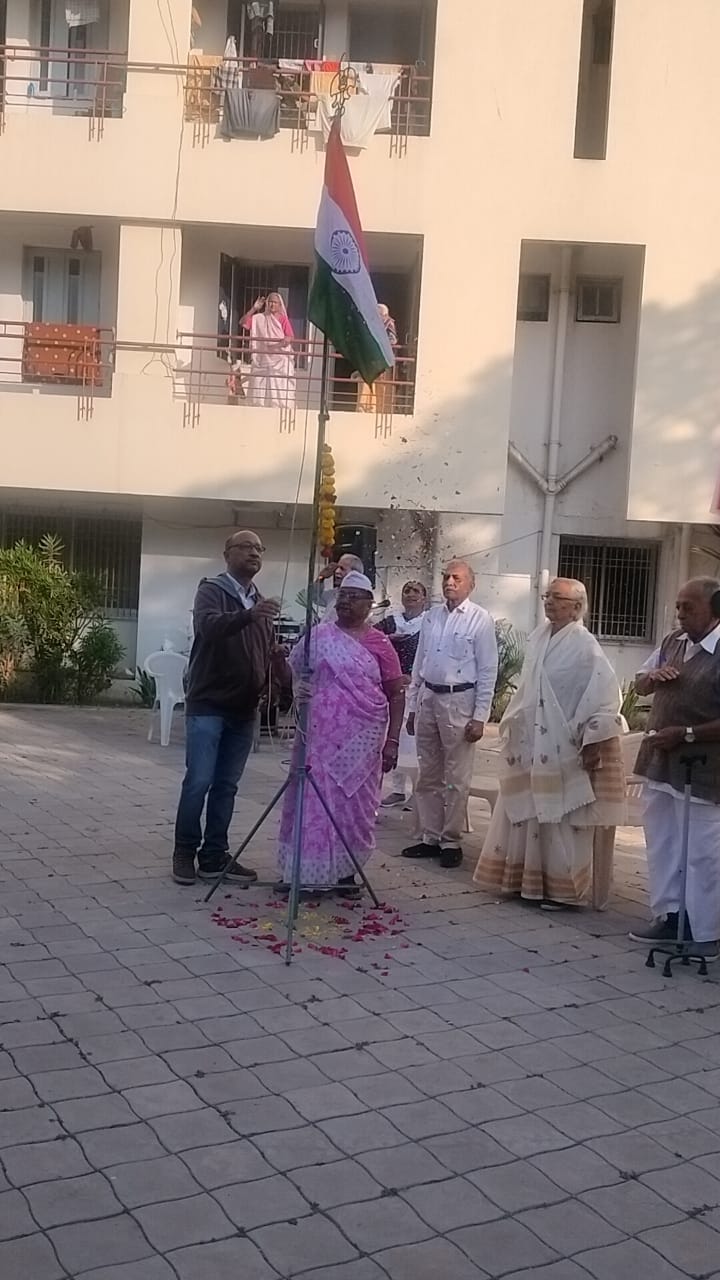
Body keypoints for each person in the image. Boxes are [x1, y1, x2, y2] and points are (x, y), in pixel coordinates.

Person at [473, 578, 626, 910]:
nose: (549, 602)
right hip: (533, 741)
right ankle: (523, 883)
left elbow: (605, 696)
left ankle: (562, 892)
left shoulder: (586, 646)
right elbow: (529, 689)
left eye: (558, 598)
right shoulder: (539, 637)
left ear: (576, 607)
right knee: (527, 814)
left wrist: (592, 738)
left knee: (561, 820)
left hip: (565, 744)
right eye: (547, 596)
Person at [277, 571, 405, 896]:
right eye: (342, 595)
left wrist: (392, 741)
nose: (345, 601)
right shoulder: (319, 636)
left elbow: (396, 693)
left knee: (352, 804)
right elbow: (291, 672)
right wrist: (284, 668)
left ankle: (346, 872)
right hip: (317, 738)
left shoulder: (380, 643)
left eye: (353, 596)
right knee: (313, 799)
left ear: (369, 604)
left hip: (362, 740)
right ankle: (306, 871)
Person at [172, 531, 281, 886]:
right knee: (199, 781)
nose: (254, 553)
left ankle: (214, 855)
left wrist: (272, 671)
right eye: (246, 547)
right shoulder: (212, 590)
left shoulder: (259, 601)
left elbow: (263, 649)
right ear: (226, 554)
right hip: (209, 704)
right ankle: (184, 852)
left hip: (243, 709)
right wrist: (250, 615)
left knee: (226, 786)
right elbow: (209, 627)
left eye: (259, 548)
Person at [629, 577, 720, 955]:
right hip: (660, 762)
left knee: (702, 852)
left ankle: (706, 933)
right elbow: (639, 684)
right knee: (663, 844)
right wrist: (651, 677)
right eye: (678, 606)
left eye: (689, 607)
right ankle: (669, 917)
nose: (680, 614)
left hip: (703, 769)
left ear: (715, 610)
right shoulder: (673, 642)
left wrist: (686, 734)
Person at [402, 560, 498, 869]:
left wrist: (480, 716)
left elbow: (488, 670)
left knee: (456, 776)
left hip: (460, 700)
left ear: (471, 584)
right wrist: (413, 707)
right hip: (429, 696)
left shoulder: (480, 620)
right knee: (428, 772)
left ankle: (451, 840)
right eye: (446, 577)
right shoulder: (431, 617)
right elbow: (419, 664)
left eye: (456, 578)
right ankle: (430, 836)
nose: (449, 582)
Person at [376, 580, 428, 807]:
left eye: (416, 591)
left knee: (415, 740)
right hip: (392, 688)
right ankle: (397, 790)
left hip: (418, 688)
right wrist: (387, 640)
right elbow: (369, 640)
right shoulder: (390, 622)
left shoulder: (429, 623)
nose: (411, 594)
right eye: (407, 590)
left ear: (424, 598)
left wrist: (414, 677)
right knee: (393, 736)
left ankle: (418, 790)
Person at [241, 292, 296, 408]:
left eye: (275, 302)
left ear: (279, 305)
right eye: (270, 302)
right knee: (259, 382)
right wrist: (254, 309)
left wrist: (276, 346)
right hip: (262, 358)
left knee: (279, 381)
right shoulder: (259, 318)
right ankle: (259, 405)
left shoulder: (283, 320)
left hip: (280, 358)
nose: (272, 304)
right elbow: (243, 322)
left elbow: (289, 337)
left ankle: (279, 405)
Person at [357, 302, 397, 414]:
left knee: (381, 384)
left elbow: (393, 340)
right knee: (367, 381)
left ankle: (377, 409)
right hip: (371, 359)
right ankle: (365, 407)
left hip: (383, 359)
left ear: (383, 314)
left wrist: (379, 342)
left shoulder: (389, 323)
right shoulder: (372, 323)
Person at [311, 553, 364, 622]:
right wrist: (321, 577)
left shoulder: (360, 598)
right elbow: (314, 597)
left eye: (342, 569)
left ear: (355, 574)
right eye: (337, 568)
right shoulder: (334, 593)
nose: (337, 571)